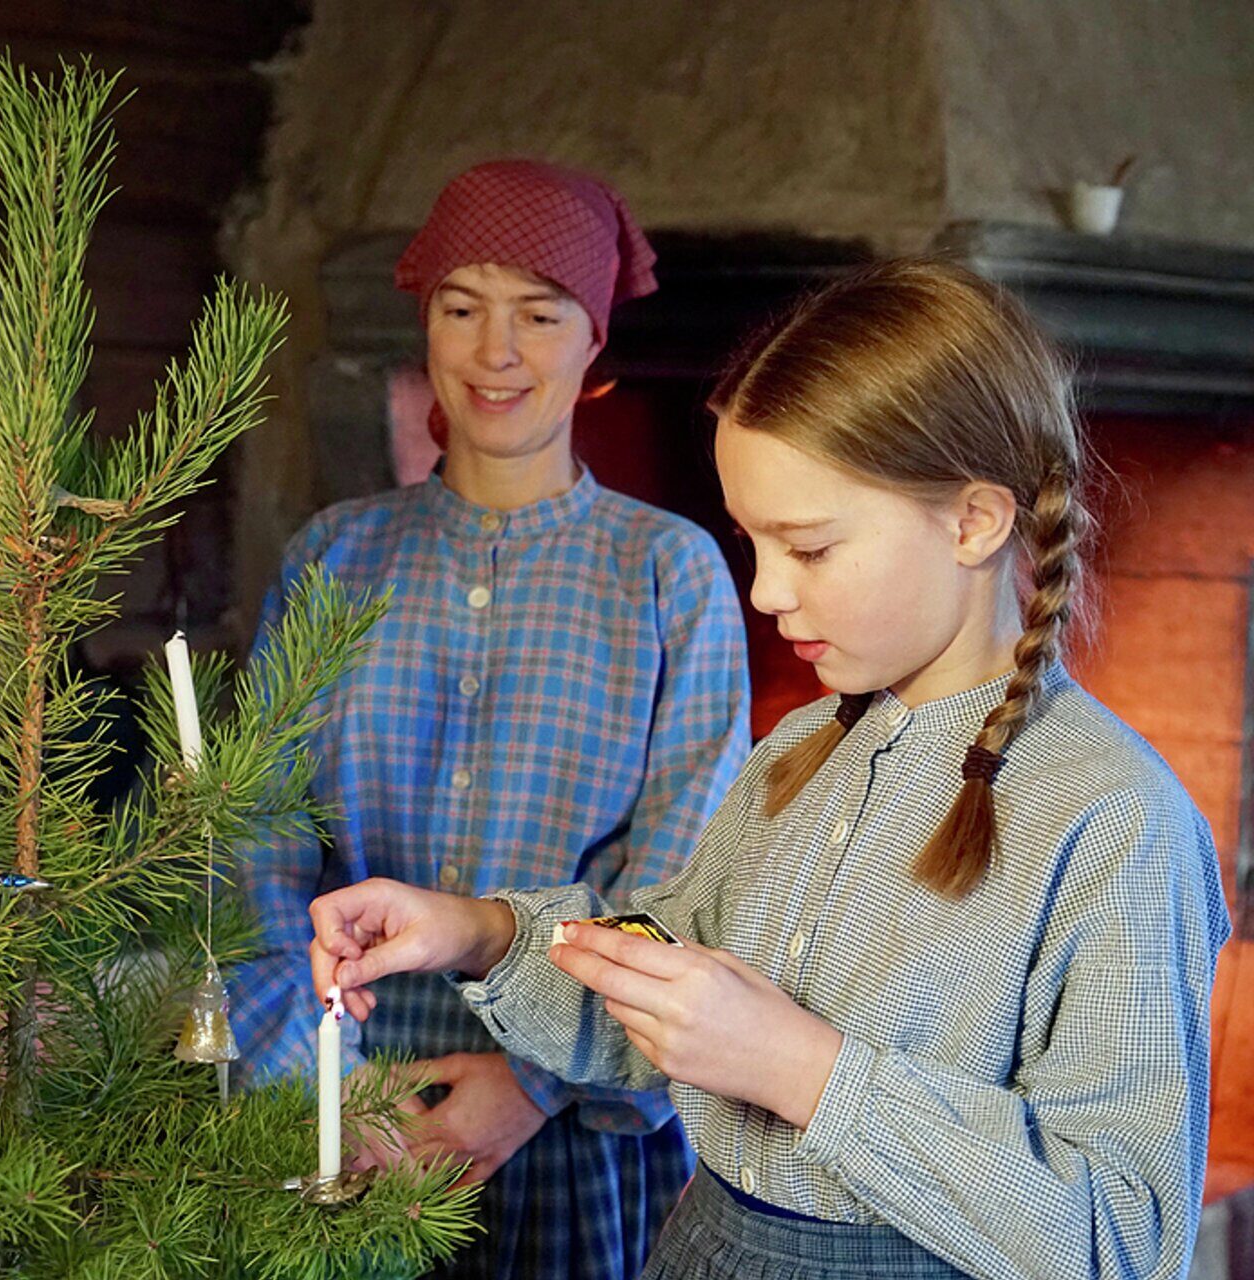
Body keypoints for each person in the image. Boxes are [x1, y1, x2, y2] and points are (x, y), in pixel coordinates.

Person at [308, 259, 1232, 1280]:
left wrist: (804, 1067)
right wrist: (478, 930)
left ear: (973, 521)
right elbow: (675, 986)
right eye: (751, 542)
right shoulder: (796, 754)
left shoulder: (1113, 818)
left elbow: (1123, 1233)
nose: (763, 591)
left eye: (810, 547)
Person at [227, 160, 752, 1278]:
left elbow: (686, 876)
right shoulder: (334, 554)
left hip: (570, 1130)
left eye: (538, 312)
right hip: (340, 1103)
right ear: (425, 323)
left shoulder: (671, 573)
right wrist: (319, 1085)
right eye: (461, 309)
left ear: (593, 337)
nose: (495, 351)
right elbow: (255, 832)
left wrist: (534, 1084)